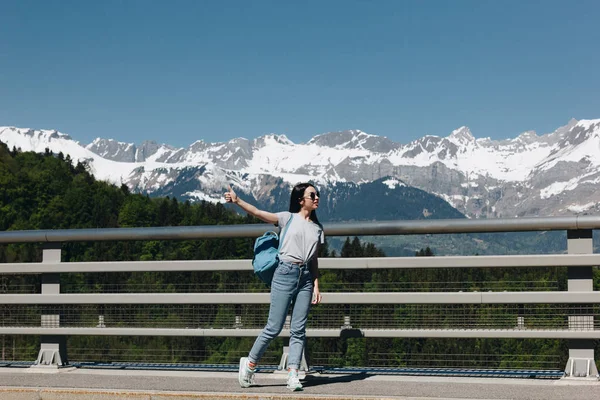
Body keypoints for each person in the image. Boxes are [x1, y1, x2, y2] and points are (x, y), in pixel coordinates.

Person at [224, 182, 324, 391]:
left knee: (299, 329)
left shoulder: (317, 228)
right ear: (300, 200)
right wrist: (238, 200)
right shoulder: (288, 218)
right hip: (285, 273)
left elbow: (314, 259)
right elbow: (259, 213)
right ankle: (250, 364)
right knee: (274, 327)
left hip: (305, 278)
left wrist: (316, 285)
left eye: (317, 194)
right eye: (312, 194)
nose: (316, 198)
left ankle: (294, 374)